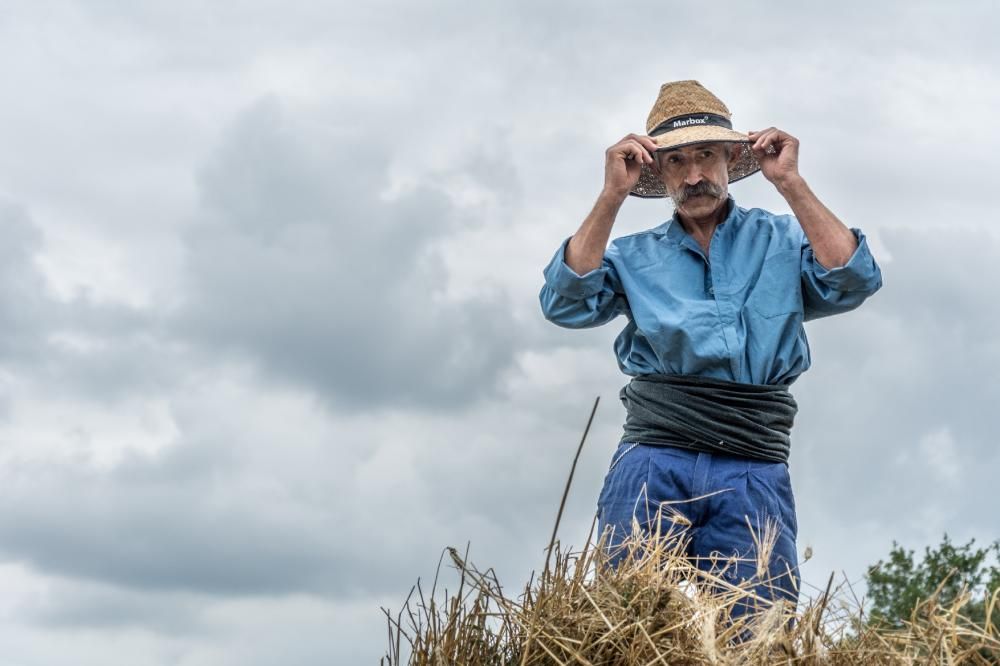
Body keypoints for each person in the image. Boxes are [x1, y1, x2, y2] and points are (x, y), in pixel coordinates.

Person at [538, 80, 883, 614]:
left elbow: (852, 279)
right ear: (659, 173)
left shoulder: (784, 240)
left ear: (730, 159)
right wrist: (611, 196)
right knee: (624, 619)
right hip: (654, 457)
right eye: (676, 161)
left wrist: (789, 182)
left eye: (705, 156)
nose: (694, 175)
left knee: (758, 629)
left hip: (752, 463)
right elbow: (566, 304)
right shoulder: (632, 256)